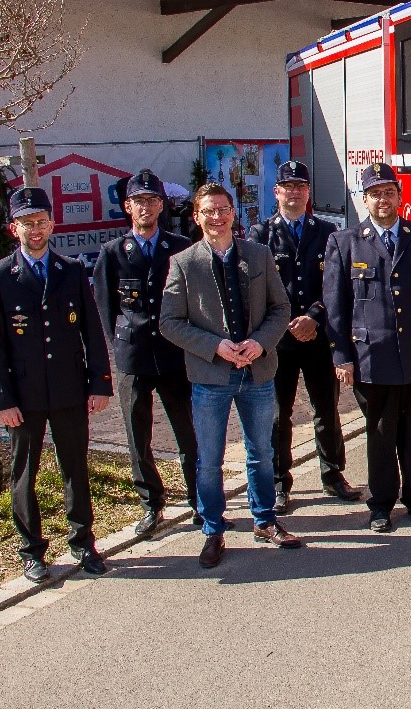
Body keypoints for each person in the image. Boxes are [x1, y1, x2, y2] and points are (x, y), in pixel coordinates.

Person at [160, 182, 300, 569]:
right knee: (209, 459)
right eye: (208, 211)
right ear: (196, 217)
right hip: (211, 376)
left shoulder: (258, 254)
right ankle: (212, 528)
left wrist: (261, 343)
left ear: (233, 213)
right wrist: (214, 346)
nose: (217, 217)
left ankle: (265, 520)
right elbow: (169, 323)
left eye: (223, 209)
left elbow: (280, 307)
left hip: (257, 372)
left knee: (261, 453)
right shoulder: (183, 263)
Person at [0, 187, 113, 583]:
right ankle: (32, 550)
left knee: (75, 467)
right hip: (24, 396)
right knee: (24, 473)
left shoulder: (70, 270)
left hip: (70, 389)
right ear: (12, 228)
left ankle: (83, 542)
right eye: (26, 223)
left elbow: (91, 329)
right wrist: (0, 398)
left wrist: (100, 383)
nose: (35, 230)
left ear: (53, 224)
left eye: (41, 222)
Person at [324, 163, 411, 533]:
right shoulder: (344, 242)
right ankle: (380, 505)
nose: (383, 199)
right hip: (372, 358)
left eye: (389, 192)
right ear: (364, 200)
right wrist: (342, 356)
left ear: (400, 196)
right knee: (380, 433)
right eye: (375, 193)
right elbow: (336, 306)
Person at [247, 160, 360, 513]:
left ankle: (333, 474)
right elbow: (256, 290)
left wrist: (314, 317)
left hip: (317, 337)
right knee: (278, 415)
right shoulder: (259, 235)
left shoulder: (328, 232)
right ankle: (280, 482)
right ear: (276, 192)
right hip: (276, 342)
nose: (294, 192)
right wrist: (284, 324)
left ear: (308, 192)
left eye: (301, 186)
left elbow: (337, 285)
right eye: (287, 186)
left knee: (326, 408)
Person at [92, 169, 198, 538]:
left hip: (174, 356)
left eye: (152, 200)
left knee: (188, 431)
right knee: (139, 437)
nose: (146, 207)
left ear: (162, 205)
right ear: (128, 207)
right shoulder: (113, 253)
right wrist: (117, 348)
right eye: (139, 201)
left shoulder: (180, 247)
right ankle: (151, 504)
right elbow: (106, 309)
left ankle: (199, 498)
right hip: (133, 358)